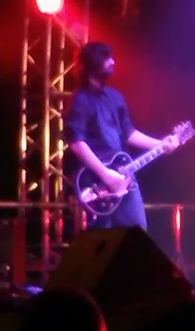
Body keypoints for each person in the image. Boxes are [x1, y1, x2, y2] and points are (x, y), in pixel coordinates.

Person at [64, 42, 178, 230]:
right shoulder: (80, 100)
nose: (113, 62)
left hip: (124, 174)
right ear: (92, 62)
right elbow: (76, 143)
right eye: (106, 58)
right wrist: (104, 173)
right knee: (101, 238)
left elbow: (129, 134)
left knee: (136, 234)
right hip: (96, 180)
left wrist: (161, 144)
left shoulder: (115, 97)